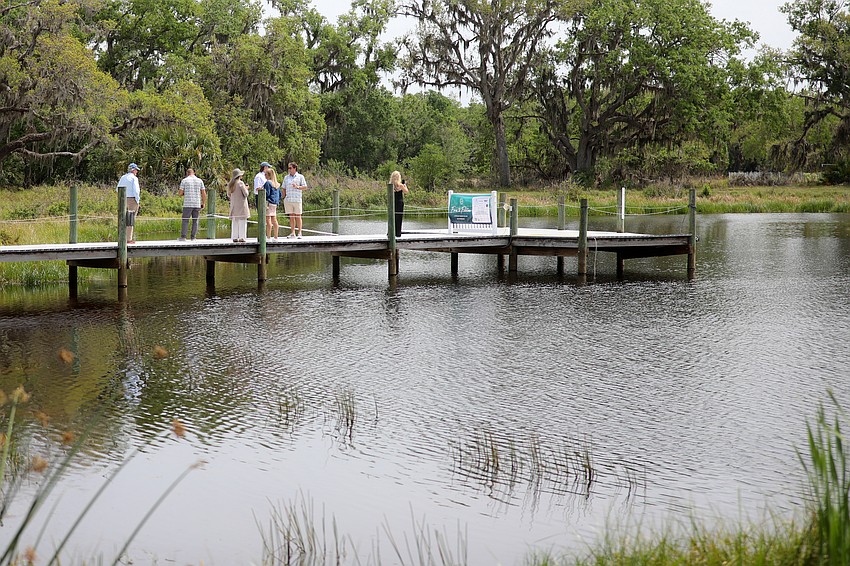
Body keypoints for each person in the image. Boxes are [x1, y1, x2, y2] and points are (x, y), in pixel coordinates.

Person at [178, 167, 207, 241]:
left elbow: (180, 193)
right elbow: (203, 193)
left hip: (187, 204)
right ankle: (193, 237)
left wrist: (185, 193)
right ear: (194, 173)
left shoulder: (184, 181)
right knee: (195, 220)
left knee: (185, 220)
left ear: (187, 173)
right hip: (197, 203)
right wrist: (203, 203)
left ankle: (183, 237)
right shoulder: (200, 181)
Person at [117, 163, 141, 244]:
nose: (137, 172)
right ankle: (129, 239)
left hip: (122, 199)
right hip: (132, 199)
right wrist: (137, 201)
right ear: (133, 170)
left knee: (123, 218)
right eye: (136, 170)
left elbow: (117, 189)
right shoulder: (134, 178)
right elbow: (136, 191)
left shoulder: (123, 177)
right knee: (130, 219)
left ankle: (122, 237)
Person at [283, 162, 308, 238]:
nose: (289, 170)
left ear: (294, 168)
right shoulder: (286, 177)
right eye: (288, 168)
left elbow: (305, 187)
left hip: (297, 199)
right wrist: (283, 197)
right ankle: (292, 233)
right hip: (288, 199)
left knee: (298, 216)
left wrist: (297, 187)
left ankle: (300, 232)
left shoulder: (300, 177)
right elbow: (283, 188)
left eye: (290, 168)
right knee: (291, 216)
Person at [227, 168, 249, 242]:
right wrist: (247, 189)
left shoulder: (230, 184)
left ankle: (235, 237)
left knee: (235, 221)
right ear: (239, 176)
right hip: (242, 205)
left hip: (234, 205)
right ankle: (242, 237)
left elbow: (229, 195)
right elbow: (245, 194)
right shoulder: (240, 183)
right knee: (242, 221)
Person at [389, 170, 409, 237]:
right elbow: (406, 191)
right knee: (399, 217)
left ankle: (391, 232)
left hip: (392, 202)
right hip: (399, 202)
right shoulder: (400, 185)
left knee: (392, 217)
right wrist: (405, 185)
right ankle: (397, 232)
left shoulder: (391, 185)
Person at [263, 168, 282, 239]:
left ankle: (268, 237)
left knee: (268, 221)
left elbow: (267, 193)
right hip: (275, 203)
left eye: (265, 174)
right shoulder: (277, 184)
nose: (264, 175)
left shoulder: (268, 183)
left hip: (269, 203)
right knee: (274, 219)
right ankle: (276, 236)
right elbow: (280, 195)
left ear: (269, 175)